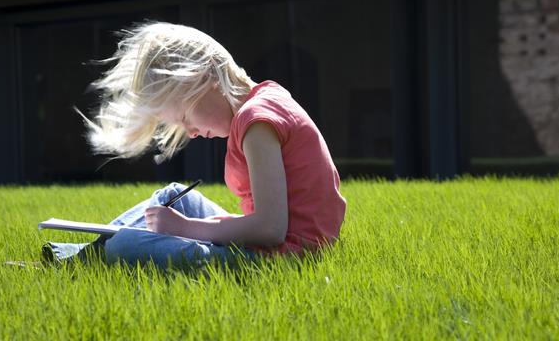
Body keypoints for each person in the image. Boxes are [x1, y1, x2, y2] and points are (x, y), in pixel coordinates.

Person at [43, 21, 346, 269]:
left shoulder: (257, 122)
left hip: (285, 260)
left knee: (126, 245)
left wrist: (187, 229)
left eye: (185, 116)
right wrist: (199, 225)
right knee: (173, 195)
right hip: (275, 246)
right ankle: (79, 257)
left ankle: (83, 260)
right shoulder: (264, 99)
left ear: (203, 80)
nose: (190, 131)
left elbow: (270, 229)